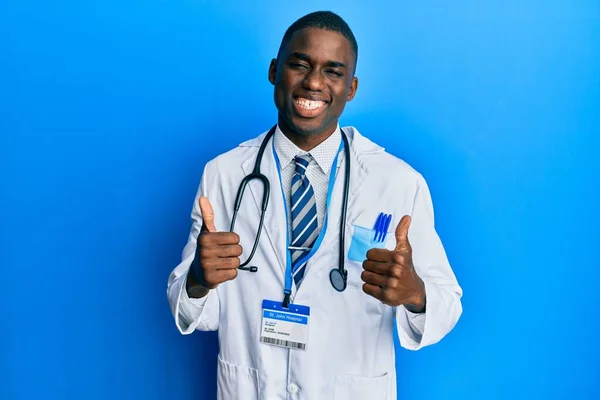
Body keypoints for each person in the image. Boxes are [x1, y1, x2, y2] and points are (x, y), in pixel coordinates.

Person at [167, 10, 462, 400]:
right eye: (299, 64)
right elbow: (190, 311)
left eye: (333, 72)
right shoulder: (223, 175)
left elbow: (447, 306)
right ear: (274, 71)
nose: (314, 83)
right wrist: (199, 280)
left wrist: (415, 294)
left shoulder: (398, 182)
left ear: (351, 87)